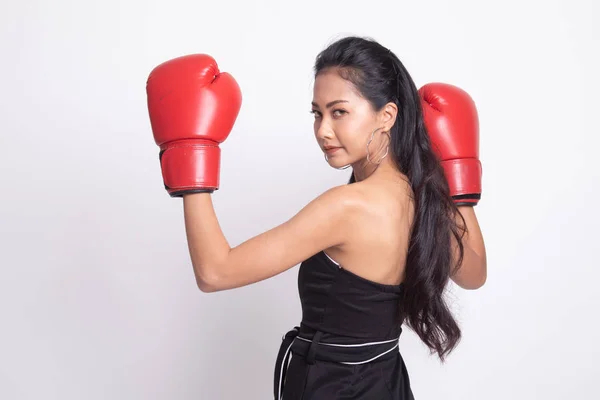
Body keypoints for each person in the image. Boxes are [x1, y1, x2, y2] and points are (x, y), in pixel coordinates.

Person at [146, 36, 487, 400]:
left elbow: (214, 272)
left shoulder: (346, 207)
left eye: (339, 111)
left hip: (332, 388)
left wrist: (190, 155)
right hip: (386, 384)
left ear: (386, 116)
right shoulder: (424, 195)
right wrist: (458, 183)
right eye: (317, 113)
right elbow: (475, 274)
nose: (323, 130)